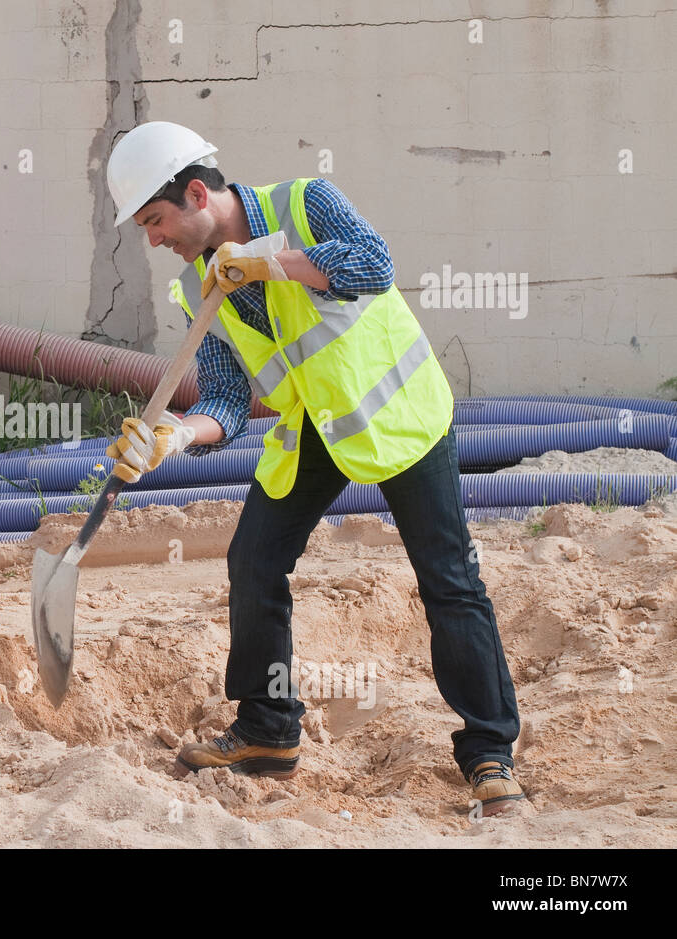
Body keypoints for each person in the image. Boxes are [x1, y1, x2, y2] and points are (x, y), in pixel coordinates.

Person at [103, 121, 525, 816]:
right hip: (320, 428)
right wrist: (172, 439)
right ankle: (268, 730)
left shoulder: (306, 201)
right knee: (255, 560)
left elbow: (373, 263)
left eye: (155, 219)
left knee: (448, 580)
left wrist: (274, 263)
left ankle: (489, 754)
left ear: (198, 193)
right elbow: (229, 401)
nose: (153, 238)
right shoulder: (199, 286)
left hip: (400, 412)